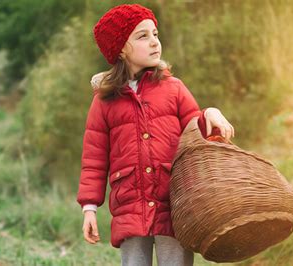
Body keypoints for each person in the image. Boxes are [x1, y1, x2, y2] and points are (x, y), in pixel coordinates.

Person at [77, 4, 234, 266]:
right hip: (129, 205)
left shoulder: (173, 88)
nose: (154, 42)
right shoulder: (104, 101)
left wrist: (210, 114)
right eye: (142, 36)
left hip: (172, 204)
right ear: (121, 50)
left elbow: (193, 132)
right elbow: (93, 160)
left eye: (155, 34)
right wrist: (89, 208)